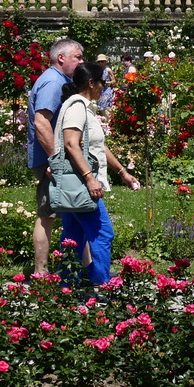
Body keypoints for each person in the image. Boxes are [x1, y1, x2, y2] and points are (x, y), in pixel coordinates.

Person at [55, 61, 140, 286]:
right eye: (103, 82)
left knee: (73, 237)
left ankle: (66, 284)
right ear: (91, 83)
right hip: (80, 185)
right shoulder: (76, 107)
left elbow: (97, 146)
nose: (105, 86)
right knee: (103, 233)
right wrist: (90, 178)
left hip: (76, 184)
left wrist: (122, 172)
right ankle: (101, 283)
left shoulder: (85, 108)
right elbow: (71, 144)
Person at [27, 38, 86, 276]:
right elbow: (41, 123)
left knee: (74, 212)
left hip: (55, 159)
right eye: (77, 57)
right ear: (61, 58)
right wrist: (55, 160)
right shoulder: (53, 82)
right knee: (47, 215)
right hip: (51, 161)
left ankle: (80, 270)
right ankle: (41, 274)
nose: (82, 62)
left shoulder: (59, 80)